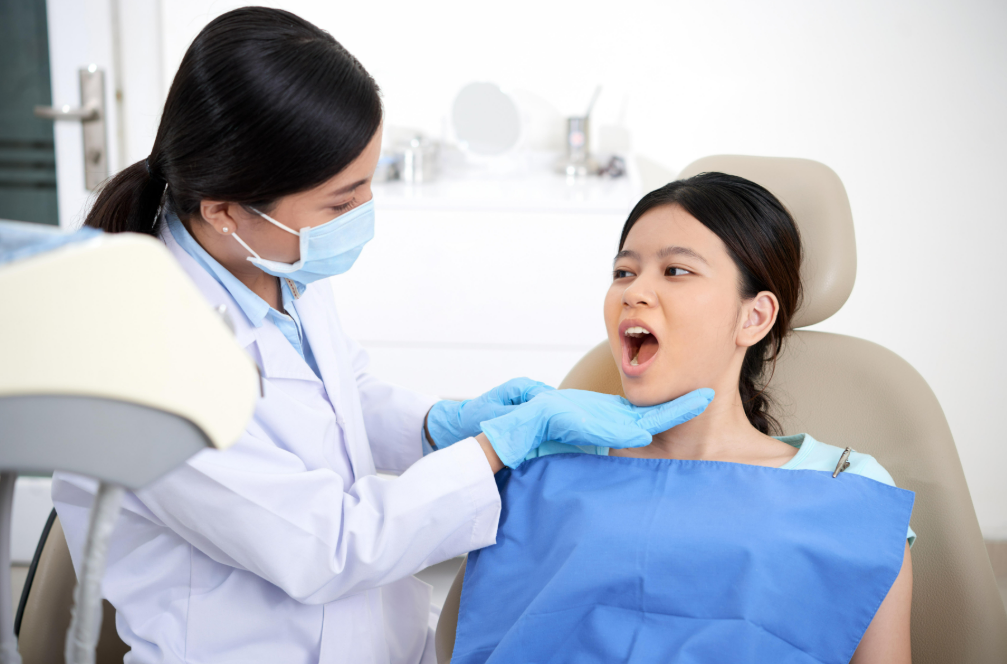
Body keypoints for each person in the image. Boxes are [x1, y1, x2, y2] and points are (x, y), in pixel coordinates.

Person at [49, 8, 713, 664]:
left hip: (385, 638)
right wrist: (493, 448)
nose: (363, 213)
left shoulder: (275, 261)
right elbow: (323, 546)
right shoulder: (136, 364)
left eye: (368, 182)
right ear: (225, 210)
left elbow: (338, 397)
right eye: (341, 202)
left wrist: (439, 425)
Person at [453, 173, 915, 664]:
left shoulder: (850, 492)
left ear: (754, 317)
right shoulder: (541, 460)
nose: (634, 292)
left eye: (675, 270)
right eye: (624, 272)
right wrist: (479, 447)